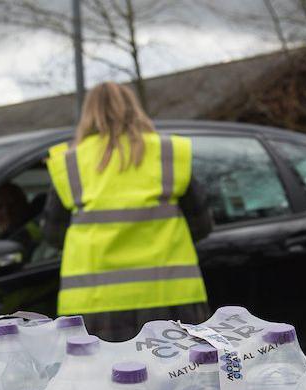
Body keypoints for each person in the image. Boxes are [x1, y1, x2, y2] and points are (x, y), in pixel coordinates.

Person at [43, 82, 213, 340]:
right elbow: (202, 226)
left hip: (94, 308)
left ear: (87, 114)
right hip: (172, 300)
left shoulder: (71, 162)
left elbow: (53, 236)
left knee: (106, 379)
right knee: (180, 378)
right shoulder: (167, 154)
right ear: (135, 109)